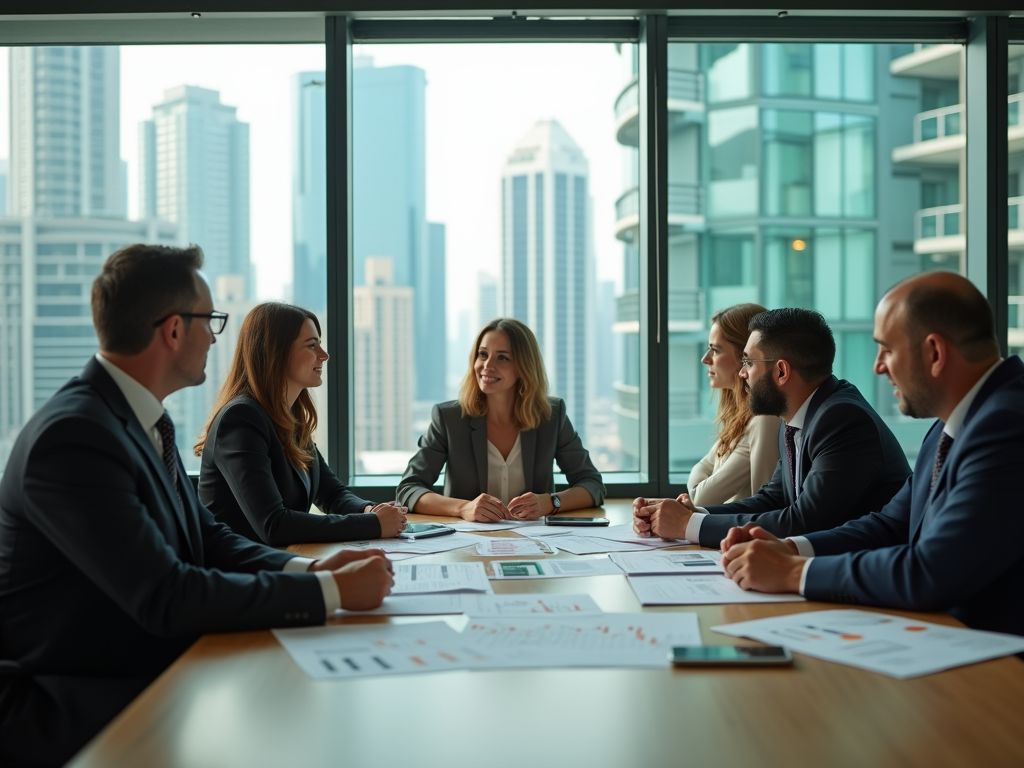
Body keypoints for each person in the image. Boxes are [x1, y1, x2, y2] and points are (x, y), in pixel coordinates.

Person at [0, 244, 394, 767]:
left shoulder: (140, 423)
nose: (215, 336)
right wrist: (328, 590)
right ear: (173, 330)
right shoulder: (76, 437)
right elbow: (166, 594)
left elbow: (207, 537)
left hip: (147, 665)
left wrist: (311, 567)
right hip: (77, 700)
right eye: (210, 321)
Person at [719, 273, 1024, 636]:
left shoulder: (1007, 425)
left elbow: (930, 571)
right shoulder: (949, 426)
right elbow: (890, 524)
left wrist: (792, 572)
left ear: (935, 353)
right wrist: (790, 549)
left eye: (887, 350)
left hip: (997, 666)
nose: (878, 366)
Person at [634, 307, 911, 548]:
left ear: (781, 371)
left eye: (748, 362)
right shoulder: (796, 414)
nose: (742, 373)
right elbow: (772, 499)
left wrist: (688, 526)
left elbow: (804, 521)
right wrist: (696, 513)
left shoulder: (842, 419)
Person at [196, 302, 406, 545]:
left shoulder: (289, 419)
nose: (324, 355)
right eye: (312, 345)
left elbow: (332, 494)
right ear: (276, 352)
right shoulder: (241, 418)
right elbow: (274, 525)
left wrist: (371, 511)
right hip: (240, 574)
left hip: (278, 563)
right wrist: (373, 525)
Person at [396, 318, 605, 521]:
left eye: (502, 357)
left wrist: (550, 502)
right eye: (483, 354)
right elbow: (409, 489)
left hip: (535, 543)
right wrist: (462, 508)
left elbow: (592, 485)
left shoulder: (552, 416)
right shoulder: (449, 419)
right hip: (468, 546)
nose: (487, 365)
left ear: (524, 367)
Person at [686, 303, 781, 506]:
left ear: (745, 356)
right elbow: (702, 467)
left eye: (715, 350)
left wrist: (701, 483)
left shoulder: (763, 421)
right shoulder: (741, 416)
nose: (705, 359)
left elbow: (700, 496)